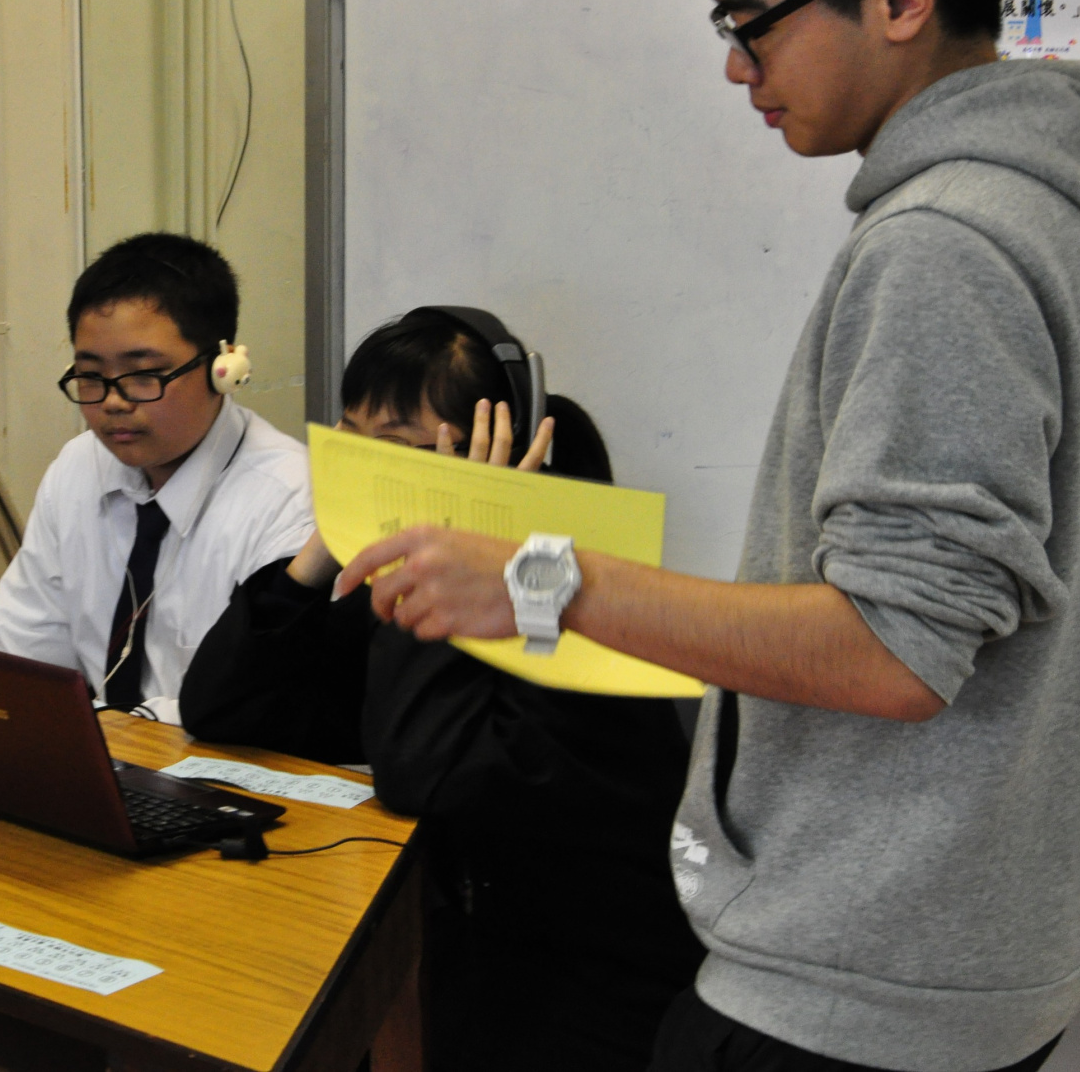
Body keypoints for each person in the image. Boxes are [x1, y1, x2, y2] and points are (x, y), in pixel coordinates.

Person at [332, 0, 1080, 1069]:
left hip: (862, 971)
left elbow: (895, 649)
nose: (738, 67)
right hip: (986, 952)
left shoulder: (947, 244)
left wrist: (540, 581)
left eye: (751, 20)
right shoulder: (1076, 213)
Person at [181, 308, 704, 1071]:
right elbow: (222, 706)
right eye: (350, 443)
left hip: (587, 999)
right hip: (454, 967)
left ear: (501, 454)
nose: (369, 471)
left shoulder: (575, 606)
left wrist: (456, 526)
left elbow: (419, 768)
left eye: (395, 451)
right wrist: (321, 547)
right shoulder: (386, 583)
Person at [0, 233, 313, 724]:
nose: (113, 402)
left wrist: (103, 728)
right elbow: (25, 648)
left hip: (221, 761)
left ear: (223, 369)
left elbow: (259, 706)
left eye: (144, 376)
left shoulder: (290, 499)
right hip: (96, 752)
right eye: (91, 376)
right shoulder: (79, 466)